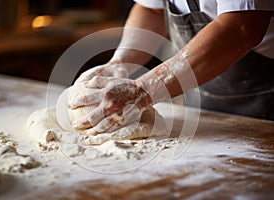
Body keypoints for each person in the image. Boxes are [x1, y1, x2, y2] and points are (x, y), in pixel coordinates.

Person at [69, 0, 274, 135]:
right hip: (202, 103)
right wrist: (120, 61)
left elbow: (242, 27)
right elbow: (151, 9)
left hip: (266, 100)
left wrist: (143, 91)